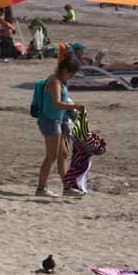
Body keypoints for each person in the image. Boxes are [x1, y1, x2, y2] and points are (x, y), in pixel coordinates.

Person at [35, 54, 84, 197]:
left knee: (63, 154)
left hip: (56, 121)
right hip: (50, 121)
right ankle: (41, 189)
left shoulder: (57, 80)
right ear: (66, 71)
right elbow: (56, 103)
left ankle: (67, 187)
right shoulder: (55, 82)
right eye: (72, 74)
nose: (71, 77)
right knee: (51, 156)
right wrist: (73, 106)